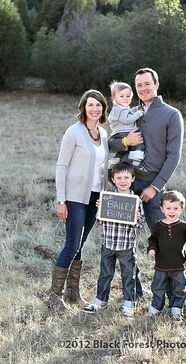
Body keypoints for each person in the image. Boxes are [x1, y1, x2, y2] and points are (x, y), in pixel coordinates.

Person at [108, 67, 184, 299]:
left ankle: (173, 297)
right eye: (138, 85)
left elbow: (174, 156)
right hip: (126, 185)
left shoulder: (171, 114)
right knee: (123, 243)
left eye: (146, 83)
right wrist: (125, 141)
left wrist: (155, 186)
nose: (142, 88)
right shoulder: (129, 113)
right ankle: (134, 294)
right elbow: (110, 143)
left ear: (156, 84)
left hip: (152, 185)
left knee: (165, 241)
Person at [48, 89, 109, 313]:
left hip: (94, 197)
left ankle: (73, 292)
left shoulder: (102, 133)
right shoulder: (73, 132)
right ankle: (54, 296)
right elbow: (61, 166)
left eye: (99, 105)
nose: (95, 108)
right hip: (74, 197)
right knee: (72, 244)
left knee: (81, 244)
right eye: (90, 104)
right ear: (83, 107)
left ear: (103, 108)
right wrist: (61, 200)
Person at [82, 162, 144, 317]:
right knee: (105, 273)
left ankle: (129, 302)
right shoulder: (107, 198)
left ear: (133, 179)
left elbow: (140, 225)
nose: (122, 180)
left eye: (126, 177)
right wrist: (100, 209)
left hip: (126, 245)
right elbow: (100, 220)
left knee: (128, 274)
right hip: (108, 243)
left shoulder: (136, 201)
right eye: (119, 177)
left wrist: (136, 218)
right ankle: (100, 299)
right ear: (113, 179)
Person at [147, 190, 186, 321]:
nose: (172, 211)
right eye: (168, 208)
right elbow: (152, 239)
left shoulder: (183, 227)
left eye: (175, 208)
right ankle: (156, 308)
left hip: (178, 265)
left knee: (179, 288)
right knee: (158, 288)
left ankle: (176, 309)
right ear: (162, 209)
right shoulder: (158, 226)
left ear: (181, 209)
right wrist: (151, 249)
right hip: (161, 265)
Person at [108, 81, 147, 172]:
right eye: (121, 96)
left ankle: (115, 160)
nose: (125, 98)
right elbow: (127, 119)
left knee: (123, 150)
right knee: (138, 143)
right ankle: (136, 163)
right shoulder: (122, 109)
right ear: (114, 98)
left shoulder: (117, 108)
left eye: (128, 96)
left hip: (117, 134)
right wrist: (138, 113)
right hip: (124, 132)